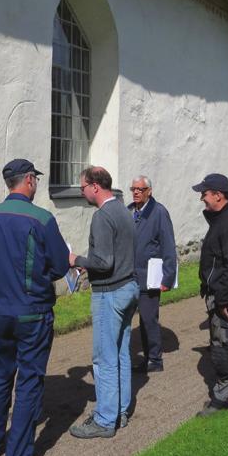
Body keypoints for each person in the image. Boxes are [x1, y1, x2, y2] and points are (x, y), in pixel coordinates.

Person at [0, 159, 70, 456]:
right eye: (35, 179)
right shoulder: (42, 219)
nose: (36, 184)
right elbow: (58, 266)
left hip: (0, 311)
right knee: (29, 381)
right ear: (28, 180)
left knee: (0, 376)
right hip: (32, 312)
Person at [69, 166, 139, 438]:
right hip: (128, 287)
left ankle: (105, 419)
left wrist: (76, 261)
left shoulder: (102, 216)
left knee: (104, 358)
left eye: (83, 187)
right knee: (121, 353)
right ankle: (119, 411)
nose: (82, 192)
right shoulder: (124, 210)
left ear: (95, 186)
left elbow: (103, 262)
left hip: (110, 291)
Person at [192, 173, 228, 417]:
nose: (202, 198)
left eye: (204, 193)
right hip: (219, 294)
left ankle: (222, 398)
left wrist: (224, 300)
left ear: (218, 195)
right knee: (223, 343)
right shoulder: (221, 218)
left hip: (226, 297)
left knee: (221, 346)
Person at [127, 176, 177, 373]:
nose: (136, 192)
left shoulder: (159, 212)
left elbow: (168, 245)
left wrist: (168, 276)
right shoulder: (130, 211)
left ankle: (155, 359)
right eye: (134, 188)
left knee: (148, 319)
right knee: (134, 318)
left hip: (150, 276)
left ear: (149, 191)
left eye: (141, 189)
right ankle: (147, 357)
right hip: (130, 275)